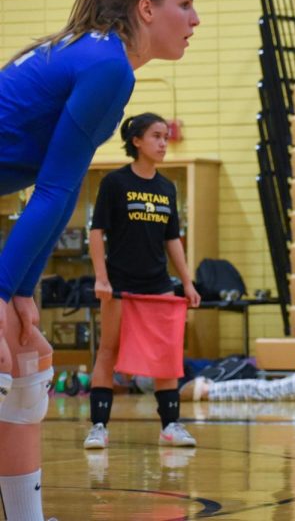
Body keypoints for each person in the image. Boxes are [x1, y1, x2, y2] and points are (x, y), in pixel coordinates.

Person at [0, 0, 198, 521]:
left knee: (28, 359)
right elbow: (57, 191)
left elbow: (55, 192)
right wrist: (3, 289)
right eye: (184, 4)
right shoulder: (108, 66)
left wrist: (19, 293)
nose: (195, 18)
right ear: (145, 8)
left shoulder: (103, 57)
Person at [83, 113, 202, 450]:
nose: (164, 143)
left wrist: (188, 284)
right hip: (120, 284)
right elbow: (97, 232)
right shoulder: (115, 183)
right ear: (136, 141)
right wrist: (101, 279)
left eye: (166, 136)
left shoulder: (167, 188)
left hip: (158, 286)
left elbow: (172, 239)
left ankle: (171, 425)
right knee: (109, 350)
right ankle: (98, 427)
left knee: (166, 354)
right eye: (156, 136)